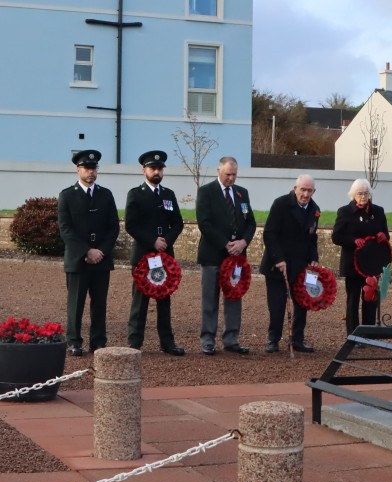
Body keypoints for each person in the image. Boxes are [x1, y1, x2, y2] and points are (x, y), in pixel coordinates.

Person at [57, 149, 120, 356]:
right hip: (78, 258)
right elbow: (66, 229)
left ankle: (98, 341)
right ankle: (74, 341)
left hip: (101, 258)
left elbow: (113, 227)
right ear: (78, 169)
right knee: (76, 303)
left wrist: (100, 251)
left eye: (94, 168)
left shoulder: (106, 194)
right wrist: (86, 251)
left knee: (99, 303)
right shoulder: (67, 195)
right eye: (87, 168)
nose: (91, 172)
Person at [124, 150, 185, 355]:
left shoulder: (169, 194)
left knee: (164, 300)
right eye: (153, 168)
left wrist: (166, 241)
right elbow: (131, 225)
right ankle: (135, 342)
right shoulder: (135, 193)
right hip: (144, 255)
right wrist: (152, 241)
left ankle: (167, 342)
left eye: (159, 168)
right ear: (144, 170)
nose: (157, 171)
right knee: (139, 302)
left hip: (165, 256)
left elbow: (177, 222)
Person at [196, 156, 256, 355]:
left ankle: (231, 339)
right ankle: (208, 340)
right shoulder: (206, 192)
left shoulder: (242, 193)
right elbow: (204, 223)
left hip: (237, 257)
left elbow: (250, 223)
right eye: (228, 174)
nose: (231, 178)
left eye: (234, 174)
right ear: (218, 171)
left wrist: (243, 242)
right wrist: (225, 243)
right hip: (213, 254)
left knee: (234, 296)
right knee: (210, 299)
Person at [260, 174, 321, 353]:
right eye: (302, 189)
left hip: (301, 266)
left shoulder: (315, 210)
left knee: (302, 304)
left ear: (314, 192)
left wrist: (314, 258)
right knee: (277, 306)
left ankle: (297, 339)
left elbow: (312, 237)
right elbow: (269, 233)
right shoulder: (280, 204)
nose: (305, 194)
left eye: (309, 190)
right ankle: (273, 339)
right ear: (295, 189)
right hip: (278, 265)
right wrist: (278, 259)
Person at [331, 179, 390, 337]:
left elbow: (386, 233)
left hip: (371, 264)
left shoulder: (378, 211)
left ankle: (368, 332)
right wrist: (353, 240)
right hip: (352, 263)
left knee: (370, 298)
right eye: (360, 194)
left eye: (366, 193)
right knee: (353, 299)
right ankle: (353, 334)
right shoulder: (344, 212)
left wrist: (383, 236)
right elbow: (336, 236)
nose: (364, 196)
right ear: (353, 195)